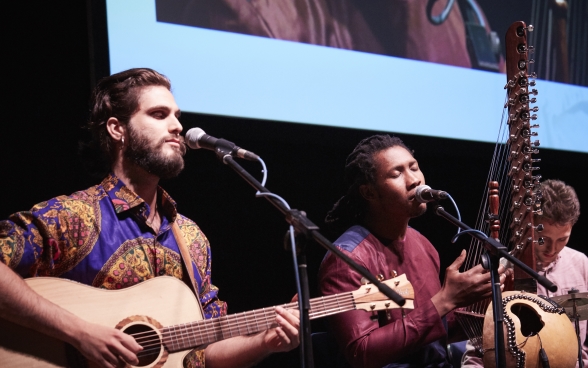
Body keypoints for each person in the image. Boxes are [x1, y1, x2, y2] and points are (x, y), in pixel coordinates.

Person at [0, 68, 299, 368]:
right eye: (159, 114)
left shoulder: (191, 237)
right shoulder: (73, 217)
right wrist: (80, 332)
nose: (177, 127)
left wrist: (264, 342)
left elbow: (206, 353)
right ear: (118, 129)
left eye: (177, 116)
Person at [317, 134, 507, 368]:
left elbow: (436, 332)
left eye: (414, 168)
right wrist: (445, 300)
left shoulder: (422, 244)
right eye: (397, 173)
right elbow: (362, 353)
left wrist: (483, 301)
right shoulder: (347, 260)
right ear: (369, 193)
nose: (414, 180)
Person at [461, 179, 588, 367]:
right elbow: (476, 354)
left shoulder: (581, 264)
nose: (552, 249)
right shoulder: (502, 270)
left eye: (562, 239)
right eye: (543, 239)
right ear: (531, 228)